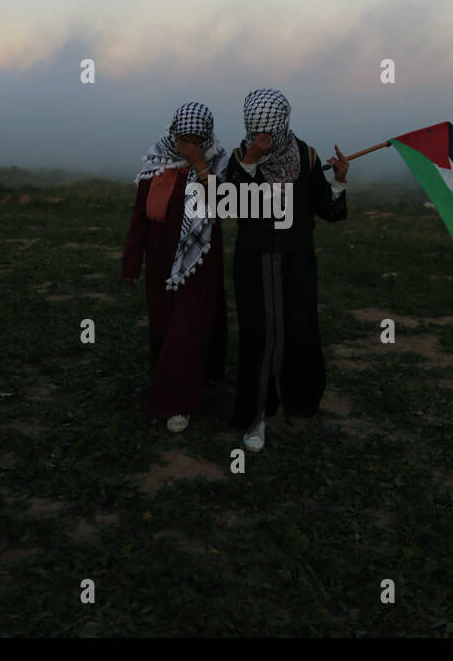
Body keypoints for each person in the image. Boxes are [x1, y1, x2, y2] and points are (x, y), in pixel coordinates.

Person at [226, 88, 348, 452]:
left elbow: (327, 209)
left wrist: (339, 180)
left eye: (269, 132)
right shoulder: (238, 158)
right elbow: (231, 207)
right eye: (256, 131)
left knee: (299, 331)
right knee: (259, 336)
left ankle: (298, 404)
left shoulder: (306, 156)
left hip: (297, 263)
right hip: (254, 263)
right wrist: (250, 161)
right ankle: (256, 415)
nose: (264, 140)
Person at [121, 102, 229, 431]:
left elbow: (223, 205)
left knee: (188, 325)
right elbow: (141, 215)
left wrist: (199, 165)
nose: (190, 146)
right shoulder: (157, 162)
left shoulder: (218, 162)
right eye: (185, 139)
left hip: (199, 257)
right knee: (163, 322)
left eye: (198, 140)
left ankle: (178, 402)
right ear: (174, 133)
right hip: (158, 255)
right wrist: (131, 262)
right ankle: (168, 380)